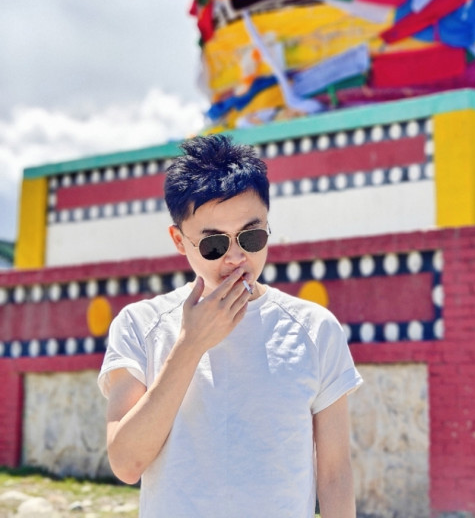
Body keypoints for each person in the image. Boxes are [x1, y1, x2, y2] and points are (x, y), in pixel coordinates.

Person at [98, 135, 363, 517]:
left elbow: (335, 475)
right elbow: (126, 464)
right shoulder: (140, 325)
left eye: (251, 237)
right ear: (179, 241)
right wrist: (191, 345)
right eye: (214, 245)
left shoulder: (315, 329)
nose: (237, 257)